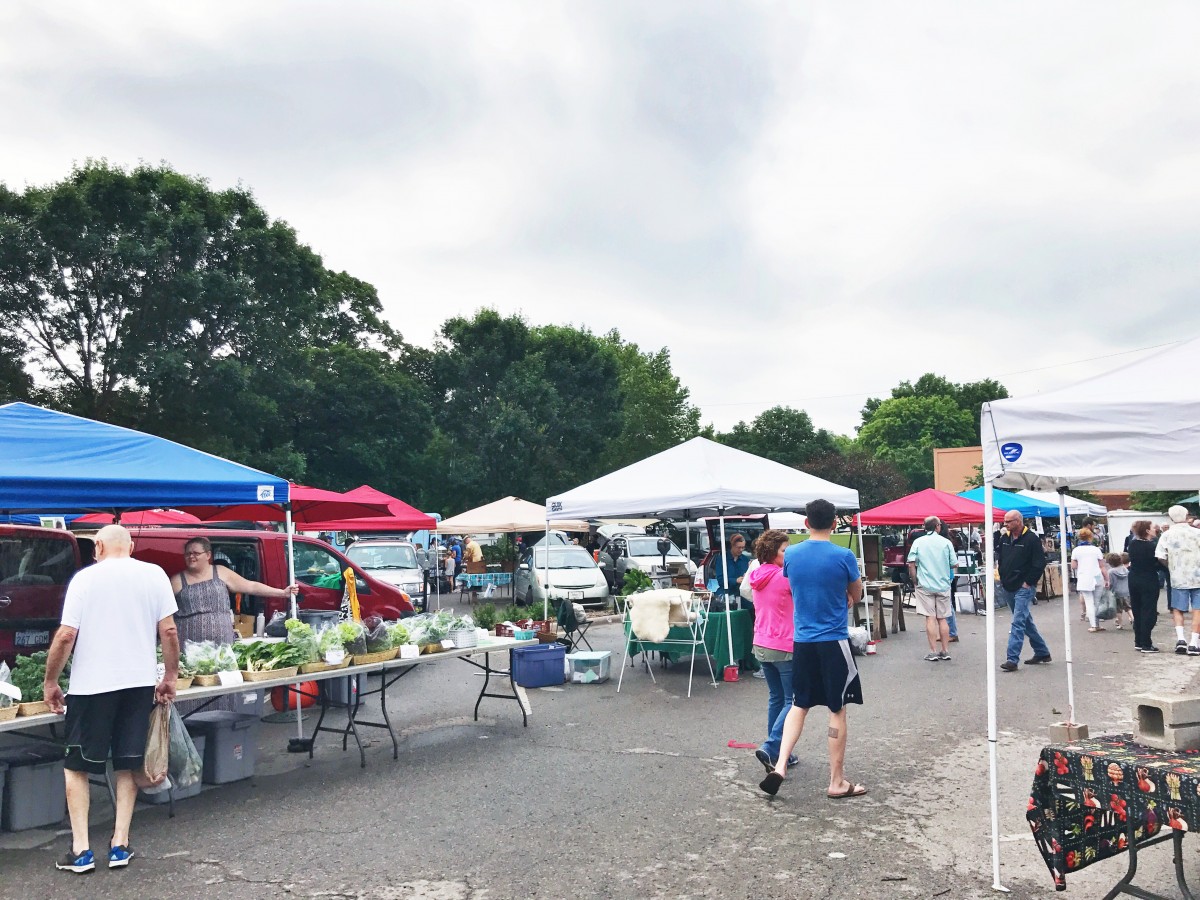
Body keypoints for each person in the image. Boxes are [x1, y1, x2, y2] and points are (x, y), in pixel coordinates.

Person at [42, 525, 179, 874]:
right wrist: (169, 677)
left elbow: (65, 637)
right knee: (126, 763)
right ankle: (119, 844)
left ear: (98, 546)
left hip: (91, 687)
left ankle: (81, 850)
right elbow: (170, 631)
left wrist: (51, 681)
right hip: (137, 686)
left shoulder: (85, 580)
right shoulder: (155, 576)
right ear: (131, 546)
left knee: (77, 767)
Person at [759, 499, 865, 799]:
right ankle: (836, 781)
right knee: (837, 708)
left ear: (806, 523)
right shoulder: (844, 555)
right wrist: (845, 596)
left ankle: (779, 765)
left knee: (798, 704)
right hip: (833, 641)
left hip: (802, 641)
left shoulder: (791, 553)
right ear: (835, 523)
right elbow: (855, 592)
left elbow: (794, 584)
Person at [170, 537, 297, 710]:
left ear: (208, 555)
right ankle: (191, 725)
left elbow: (251, 586)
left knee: (223, 686)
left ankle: (224, 724)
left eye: (196, 553)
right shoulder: (177, 580)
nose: (191, 557)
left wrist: (282, 593)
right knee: (194, 689)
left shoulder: (221, 572)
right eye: (188, 554)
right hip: (190, 647)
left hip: (222, 645)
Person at [747, 530, 798, 772]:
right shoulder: (783, 578)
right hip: (784, 644)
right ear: (772, 552)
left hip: (761, 644)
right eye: (784, 550)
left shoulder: (757, 576)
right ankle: (772, 746)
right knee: (792, 700)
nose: (787, 554)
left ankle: (777, 753)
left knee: (776, 698)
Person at [998, 510, 1051, 672]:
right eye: (1004, 521)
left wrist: (1028, 582)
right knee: (1025, 621)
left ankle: (1012, 659)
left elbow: (1039, 563)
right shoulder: (1005, 538)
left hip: (1023, 586)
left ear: (1018, 522)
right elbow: (1001, 558)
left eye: (1008, 522)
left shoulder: (1031, 539)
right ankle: (1042, 652)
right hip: (1008, 585)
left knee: (1018, 621)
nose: (1005, 524)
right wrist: (1002, 575)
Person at [908, 516, 957, 662]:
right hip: (943, 584)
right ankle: (945, 650)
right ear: (937, 526)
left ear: (925, 527)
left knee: (930, 617)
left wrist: (914, 580)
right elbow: (954, 564)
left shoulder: (918, 542)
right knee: (942, 618)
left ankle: (933, 651)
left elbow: (911, 563)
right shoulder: (946, 542)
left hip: (925, 584)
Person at [1156, 506, 1200, 655]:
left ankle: (1181, 640)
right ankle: (1194, 643)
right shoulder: (1197, 533)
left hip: (1178, 577)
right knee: (1197, 610)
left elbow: (1160, 556)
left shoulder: (1167, 535)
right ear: (1187, 516)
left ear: (1170, 518)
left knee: (1178, 609)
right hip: (1198, 576)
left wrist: (1171, 567)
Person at [1128, 520, 1162, 653]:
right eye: (1153, 528)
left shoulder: (1133, 544)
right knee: (1149, 610)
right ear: (1147, 531)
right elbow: (1157, 563)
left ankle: (1139, 641)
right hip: (1148, 578)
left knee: (1137, 609)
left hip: (1134, 578)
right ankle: (1146, 643)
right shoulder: (1152, 546)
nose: (1156, 530)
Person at [1071, 527, 1109, 633]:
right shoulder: (1096, 550)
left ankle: (1093, 625)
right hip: (1097, 577)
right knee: (1096, 602)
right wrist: (1107, 579)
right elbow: (1102, 566)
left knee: (1089, 602)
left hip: (1084, 578)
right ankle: (1096, 624)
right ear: (1090, 537)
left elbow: (1073, 566)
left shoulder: (1076, 551)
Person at [1107, 552, 1130, 631]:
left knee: (1118, 610)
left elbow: (1111, 583)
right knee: (1128, 607)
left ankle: (1120, 624)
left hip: (1117, 593)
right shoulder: (1124, 568)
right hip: (1127, 591)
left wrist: (1108, 589)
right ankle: (1133, 618)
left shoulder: (1111, 571)